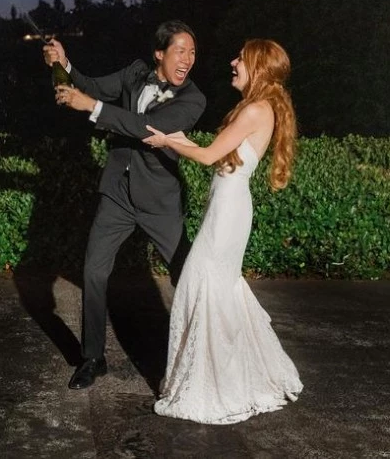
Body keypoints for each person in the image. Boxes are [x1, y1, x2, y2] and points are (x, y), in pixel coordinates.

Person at [142, 38, 303, 424]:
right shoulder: (258, 108)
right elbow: (217, 151)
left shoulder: (255, 110)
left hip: (229, 211)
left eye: (241, 60)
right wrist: (180, 140)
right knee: (215, 287)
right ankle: (227, 375)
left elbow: (210, 156)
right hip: (228, 206)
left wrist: (168, 141)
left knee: (202, 281)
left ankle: (214, 383)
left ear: (258, 68)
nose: (233, 62)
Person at [44, 21, 206, 390]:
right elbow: (93, 87)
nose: (188, 59)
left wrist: (93, 108)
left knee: (189, 273)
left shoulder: (194, 98)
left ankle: (198, 355)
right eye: (181, 51)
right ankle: (92, 358)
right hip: (117, 193)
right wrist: (65, 66)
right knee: (94, 272)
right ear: (159, 54)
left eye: (192, 52)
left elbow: (147, 127)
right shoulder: (135, 73)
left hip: (160, 201)